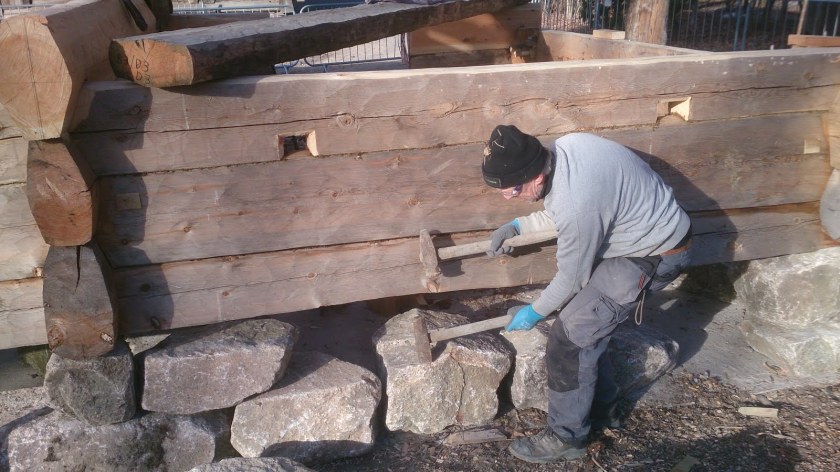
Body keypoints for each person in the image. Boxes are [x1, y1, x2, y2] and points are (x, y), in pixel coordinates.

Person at [481, 125, 692, 464]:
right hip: (643, 236)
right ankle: (603, 411)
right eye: (502, 189)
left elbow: (571, 279)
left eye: (514, 188)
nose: (508, 196)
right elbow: (561, 209)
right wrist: (520, 227)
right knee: (588, 327)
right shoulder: (565, 148)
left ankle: (568, 436)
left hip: (654, 255)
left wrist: (534, 312)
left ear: (537, 176)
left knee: (570, 339)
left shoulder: (576, 202)